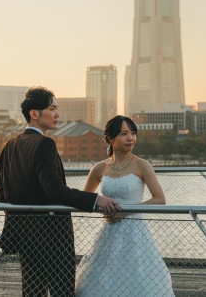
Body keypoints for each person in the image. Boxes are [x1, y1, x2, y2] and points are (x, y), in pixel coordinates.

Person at [0, 87, 121, 297]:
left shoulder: (8, 145)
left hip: (24, 232)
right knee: (61, 290)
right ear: (34, 114)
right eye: (52, 108)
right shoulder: (44, 143)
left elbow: (2, 194)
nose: (57, 114)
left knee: (32, 290)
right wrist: (95, 199)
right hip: (52, 233)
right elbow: (54, 191)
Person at [75, 115, 175, 296]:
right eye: (124, 133)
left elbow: (160, 199)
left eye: (133, 133)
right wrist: (102, 208)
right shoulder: (99, 167)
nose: (131, 138)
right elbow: (86, 197)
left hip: (135, 232)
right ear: (110, 138)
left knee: (138, 278)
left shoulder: (142, 165)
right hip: (109, 232)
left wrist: (126, 212)